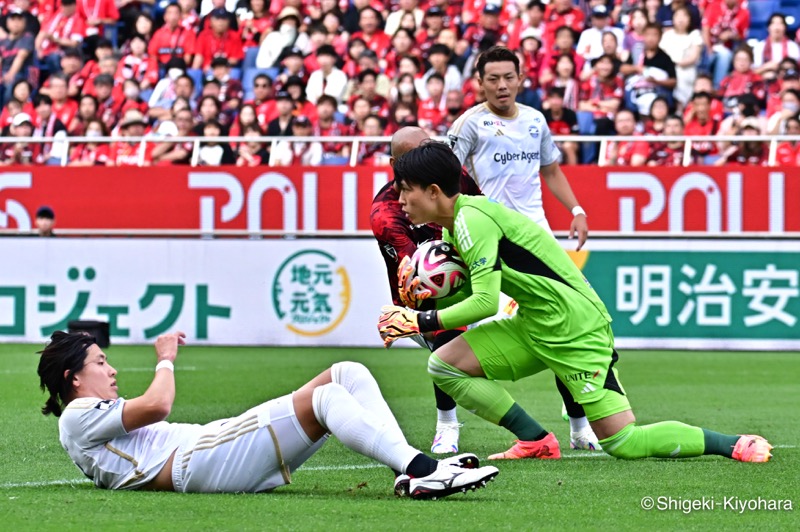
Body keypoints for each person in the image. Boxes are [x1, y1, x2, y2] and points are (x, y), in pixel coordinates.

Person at [379, 140, 773, 464]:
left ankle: (733, 444)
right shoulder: (455, 226)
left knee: (624, 443)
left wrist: (418, 319)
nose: (398, 198)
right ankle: (535, 440)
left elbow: (483, 303)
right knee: (444, 365)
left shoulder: (472, 221)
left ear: (432, 192)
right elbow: (480, 291)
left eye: (404, 188)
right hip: (535, 322)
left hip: (576, 328)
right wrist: (425, 294)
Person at [37, 331, 499, 498]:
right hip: (194, 462)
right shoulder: (76, 414)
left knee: (348, 372)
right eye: (100, 362)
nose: (111, 369)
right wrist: (164, 358)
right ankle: (423, 470)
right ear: (72, 377)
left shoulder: (88, 415)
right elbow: (158, 403)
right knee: (327, 399)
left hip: (208, 449)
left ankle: (411, 469)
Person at [446, 46, 598, 451]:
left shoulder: (535, 121)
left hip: (538, 242)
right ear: (479, 83)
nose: (501, 85)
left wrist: (577, 209)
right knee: (459, 334)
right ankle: (449, 424)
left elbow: (550, 169)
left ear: (521, 78)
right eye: (492, 78)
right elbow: (444, 179)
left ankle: (580, 428)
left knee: (562, 327)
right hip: (489, 241)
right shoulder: (468, 126)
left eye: (508, 77)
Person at [370, 126, 482, 454]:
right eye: (415, 153)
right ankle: (446, 426)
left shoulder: (453, 177)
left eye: (429, 148)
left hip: (475, 277)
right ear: (395, 163)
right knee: (447, 345)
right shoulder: (386, 213)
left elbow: (479, 215)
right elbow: (421, 276)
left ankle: (580, 428)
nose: (427, 158)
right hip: (419, 297)